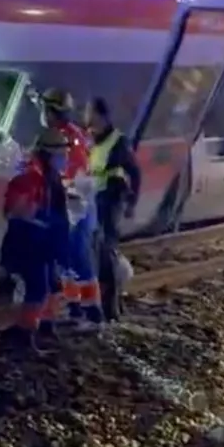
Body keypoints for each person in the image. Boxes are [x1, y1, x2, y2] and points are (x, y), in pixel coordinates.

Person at [1, 127, 71, 342]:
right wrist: (40, 218)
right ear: (49, 153)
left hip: (44, 239)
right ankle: (25, 332)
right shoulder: (31, 176)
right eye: (61, 153)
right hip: (29, 240)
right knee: (38, 286)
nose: (65, 157)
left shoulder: (49, 176)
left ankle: (46, 325)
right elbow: (15, 210)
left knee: (51, 282)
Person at [40, 88, 102, 326]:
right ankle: (75, 308)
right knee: (66, 260)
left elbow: (72, 176)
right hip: (69, 205)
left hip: (76, 207)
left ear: (52, 111)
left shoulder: (69, 139)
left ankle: (92, 312)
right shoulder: (63, 134)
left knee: (78, 257)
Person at [85, 97, 141, 321]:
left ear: (101, 115)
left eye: (90, 112)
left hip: (111, 201)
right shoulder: (90, 139)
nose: (86, 116)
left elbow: (135, 173)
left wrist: (132, 203)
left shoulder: (118, 141)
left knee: (106, 252)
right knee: (94, 252)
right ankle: (100, 303)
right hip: (91, 200)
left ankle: (111, 307)